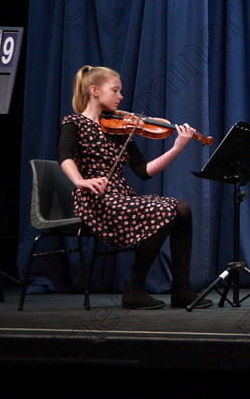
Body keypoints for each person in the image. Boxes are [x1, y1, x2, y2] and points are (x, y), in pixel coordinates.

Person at [57, 65, 212, 310]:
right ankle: (135, 289)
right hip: (95, 200)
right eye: (115, 90)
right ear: (94, 91)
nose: (121, 97)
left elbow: (144, 170)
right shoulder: (74, 122)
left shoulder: (119, 128)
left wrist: (177, 147)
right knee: (166, 211)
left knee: (181, 210)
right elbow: (64, 155)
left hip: (121, 197)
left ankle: (181, 289)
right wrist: (80, 181)